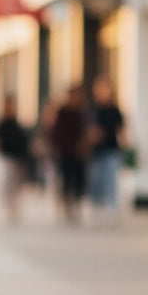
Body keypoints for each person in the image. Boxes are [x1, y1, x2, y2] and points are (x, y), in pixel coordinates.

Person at [87, 76, 127, 223]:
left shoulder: (114, 109)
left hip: (112, 149)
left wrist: (125, 145)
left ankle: (111, 208)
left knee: (111, 179)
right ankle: (96, 207)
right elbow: (87, 129)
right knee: (97, 180)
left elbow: (121, 129)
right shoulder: (93, 109)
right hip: (96, 151)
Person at [50, 83, 89, 223]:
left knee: (79, 180)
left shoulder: (82, 112)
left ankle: (76, 206)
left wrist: (84, 145)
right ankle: (68, 207)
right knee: (66, 180)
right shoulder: (62, 111)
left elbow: (87, 131)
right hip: (65, 152)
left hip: (79, 153)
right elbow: (56, 132)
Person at [0, 94, 30, 224]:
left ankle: (15, 205)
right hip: (6, 156)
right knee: (7, 182)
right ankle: (9, 205)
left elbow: (24, 139)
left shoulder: (18, 123)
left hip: (18, 156)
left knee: (16, 183)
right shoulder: (1, 123)